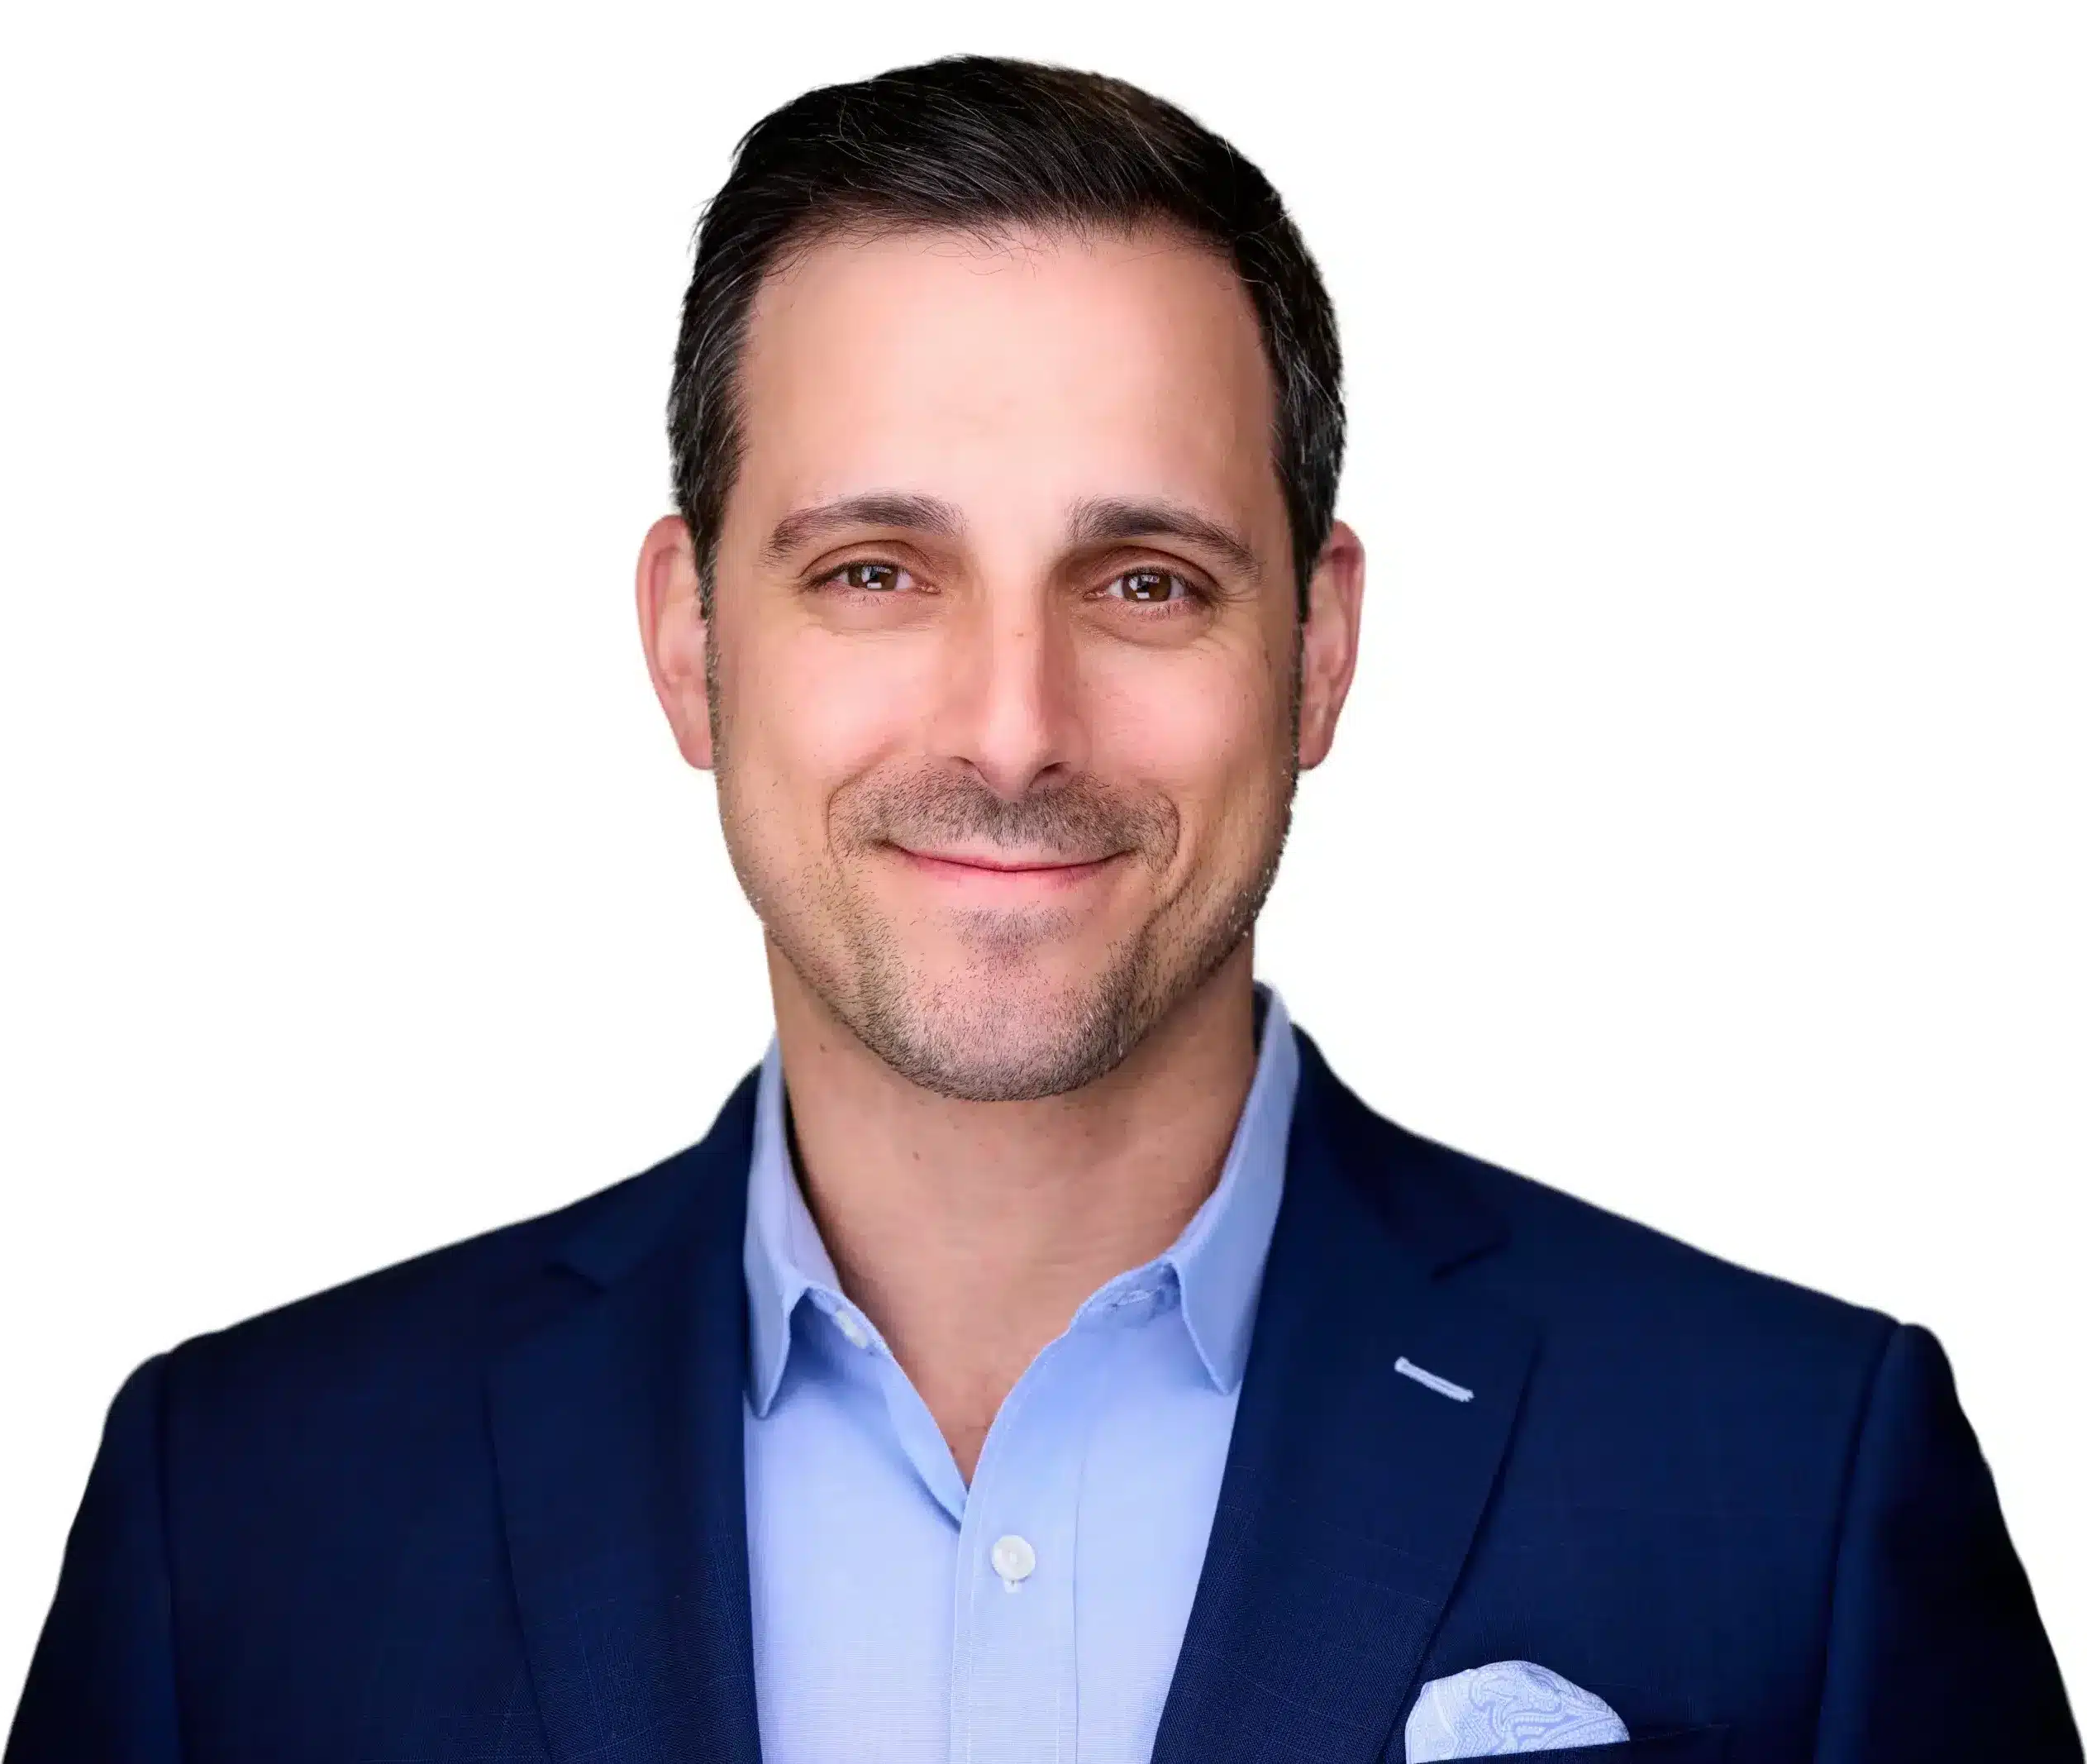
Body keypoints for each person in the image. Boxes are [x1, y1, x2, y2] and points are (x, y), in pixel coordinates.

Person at [7, 54, 2075, 1764]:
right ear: (687, 643)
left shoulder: (1790, 1486)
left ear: (1319, 649)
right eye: (875, 572)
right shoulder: (244, 1521)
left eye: (1145, 580)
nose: (1012, 728)